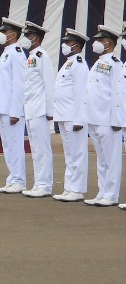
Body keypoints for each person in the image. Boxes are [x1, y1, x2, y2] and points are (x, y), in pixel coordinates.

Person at [78, 25, 122, 207]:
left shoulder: (115, 63)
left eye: (99, 41)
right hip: (94, 117)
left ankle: (111, 194)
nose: (95, 44)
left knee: (111, 158)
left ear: (108, 43)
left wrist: (116, 119)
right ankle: (102, 190)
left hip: (108, 118)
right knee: (101, 157)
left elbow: (117, 93)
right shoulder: (98, 62)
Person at [52, 29, 89, 202]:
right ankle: (69, 187)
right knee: (69, 153)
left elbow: (82, 93)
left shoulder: (79, 64)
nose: (64, 46)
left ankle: (78, 189)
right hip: (64, 114)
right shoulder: (68, 63)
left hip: (74, 117)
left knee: (78, 153)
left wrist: (79, 118)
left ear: (77, 46)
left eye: (68, 43)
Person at [20, 21, 55, 198]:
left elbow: (49, 84)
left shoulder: (42, 56)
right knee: (35, 148)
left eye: (28, 36)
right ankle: (38, 182)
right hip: (31, 109)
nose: (25, 38)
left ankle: (45, 184)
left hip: (40, 109)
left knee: (42, 148)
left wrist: (50, 111)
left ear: (36, 38)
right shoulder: (31, 57)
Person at [0, 18, 28, 194]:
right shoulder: (6, 52)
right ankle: (12, 177)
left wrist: (16, 110)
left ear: (13, 34)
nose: (2, 35)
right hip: (3, 106)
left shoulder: (17, 53)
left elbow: (19, 83)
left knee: (15, 144)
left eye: (5, 32)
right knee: (7, 145)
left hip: (12, 108)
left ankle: (19, 180)